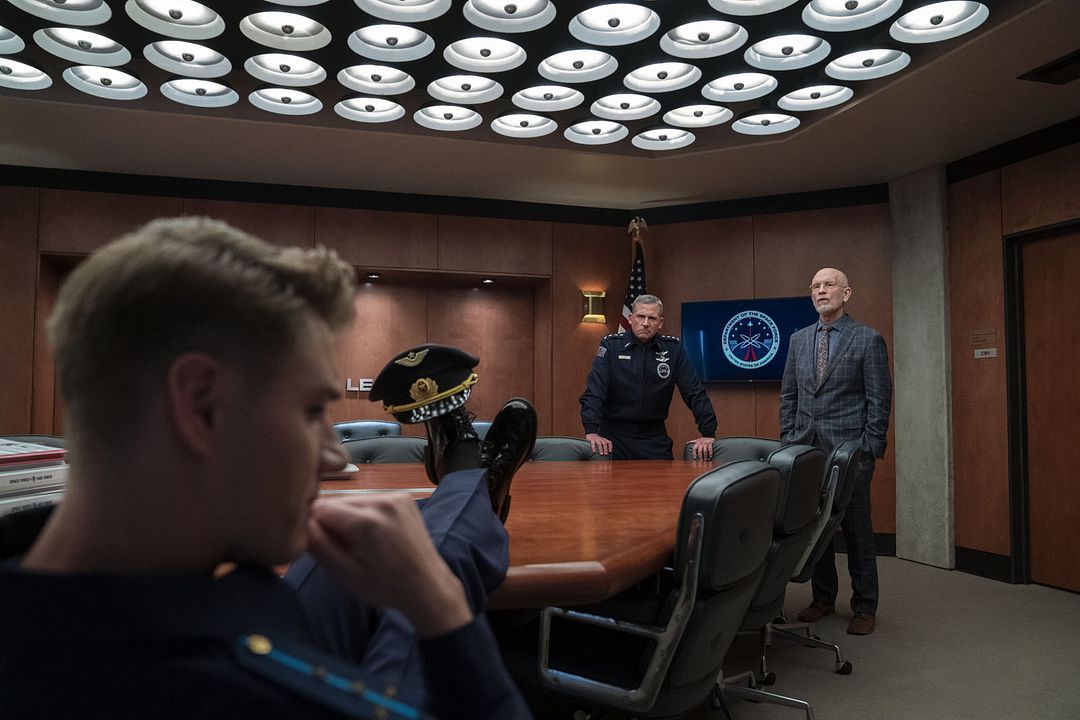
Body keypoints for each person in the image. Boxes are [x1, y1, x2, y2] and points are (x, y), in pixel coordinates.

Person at [0, 217, 535, 719]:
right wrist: (439, 605)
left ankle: (468, 486)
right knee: (434, 545)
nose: (334, 457)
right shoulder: (255, 692)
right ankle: (472, 487)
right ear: (202, 406)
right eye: (311, 412)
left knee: (367, 542)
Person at [779, 267, 892, 636]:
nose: (821, 291)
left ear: (846, 294)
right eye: (815, 286)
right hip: (805, 450)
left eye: (829, 285)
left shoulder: (867, 339)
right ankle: (823, 598)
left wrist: (870, 448)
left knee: (857, 529)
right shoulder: (798, 340)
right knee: (815, 528)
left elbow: (879, 399)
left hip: (850, 453)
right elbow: (789, 395)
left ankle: (864, 606)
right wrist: (788, 438)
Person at [580, 294, 717, 461]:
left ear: (660, 323)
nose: (645, 323)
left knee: (661, 486)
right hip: (614, 437)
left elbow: (694, 392)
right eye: (640, 316)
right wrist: (591, 430)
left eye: (651, 318)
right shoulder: (612, 346)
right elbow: (595, 391)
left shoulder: (672, 349)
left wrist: (708, 432)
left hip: (654, 437)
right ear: (630, 319)